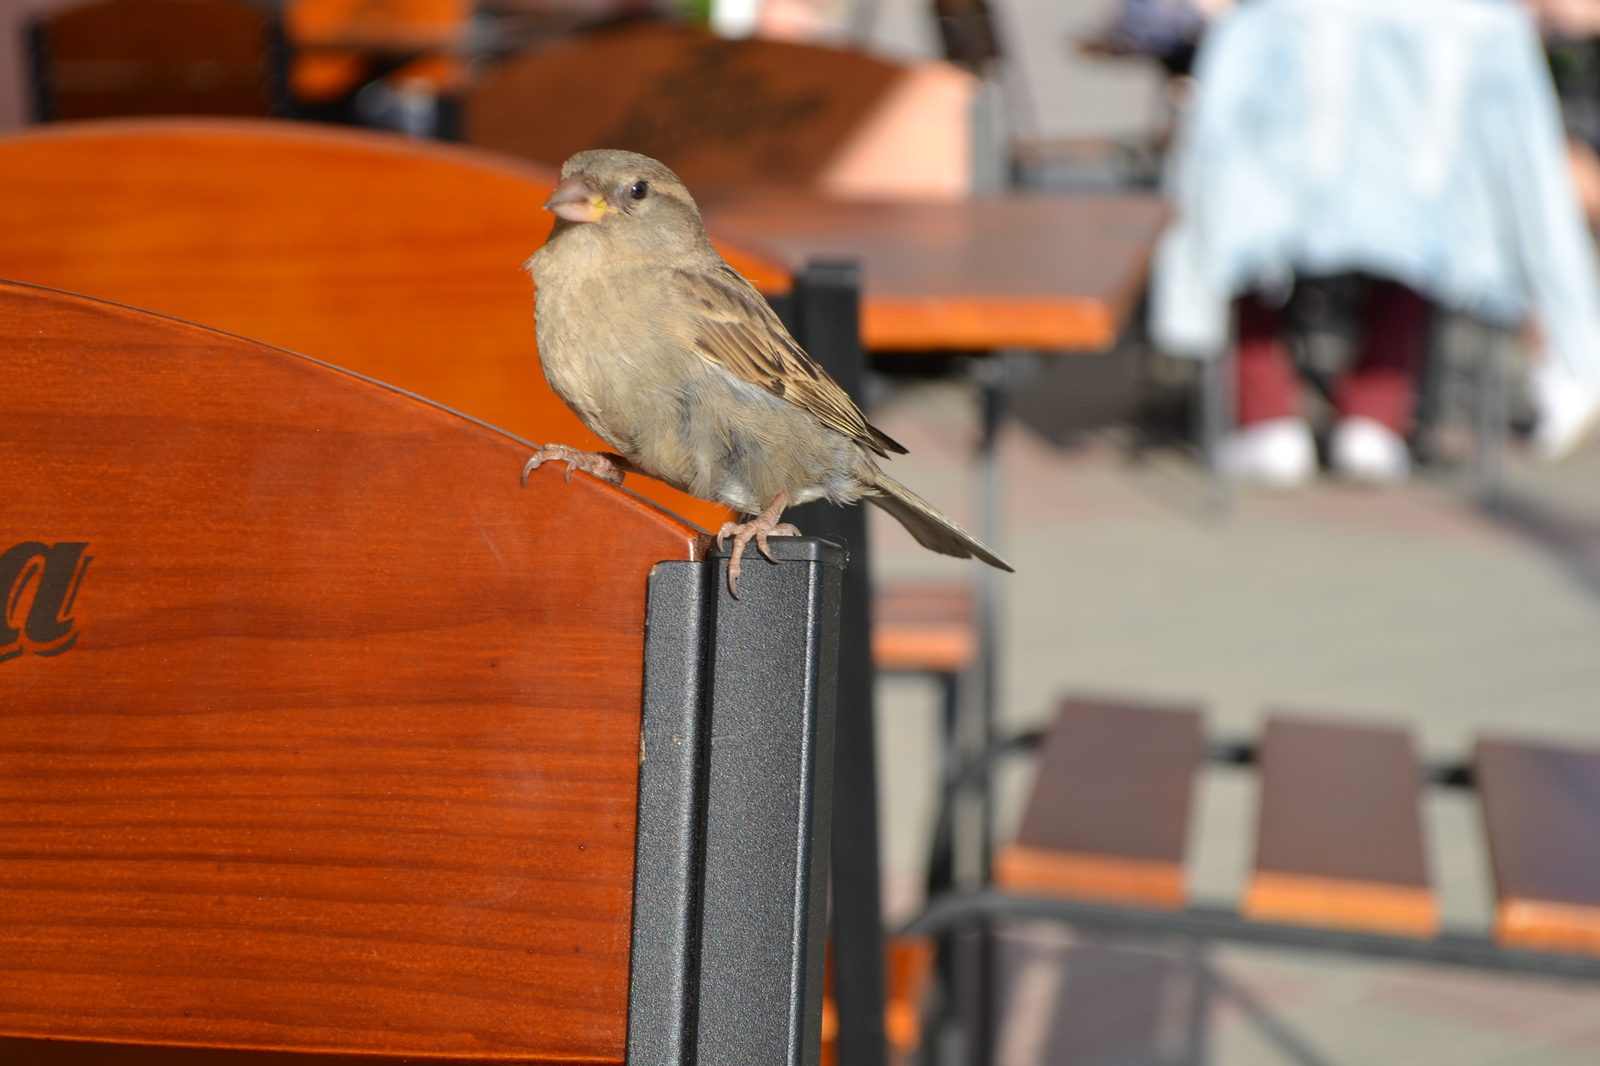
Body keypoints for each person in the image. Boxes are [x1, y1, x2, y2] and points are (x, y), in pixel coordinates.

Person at [1151, 0, 1600, 485]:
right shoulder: (1478, 20)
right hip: (1419, 199)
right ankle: (1373, 418)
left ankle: (1269, 414)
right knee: (1417, 224)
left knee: (1238, 210)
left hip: (1294, 196)